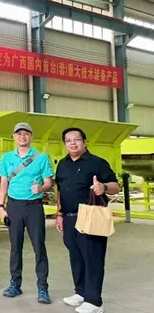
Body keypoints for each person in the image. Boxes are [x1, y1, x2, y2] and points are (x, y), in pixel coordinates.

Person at [55, 127, 119, 313]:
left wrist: (103, 187)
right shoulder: (62, 164)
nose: (73, 143)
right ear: (65, 144)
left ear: (85, 142)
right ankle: (81, 293)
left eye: (77, 139)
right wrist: (59, 214)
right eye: (68, 140)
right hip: (69, 217)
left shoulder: (97, 163)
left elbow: (115, 186)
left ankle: (94, 301)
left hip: (90, 216)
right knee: (76, 257)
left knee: (93, 258)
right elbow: (60, 191)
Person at [0, 122, 54, 304]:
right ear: (14, 137)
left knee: (39, 247)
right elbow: (4, 182)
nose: (22, 137)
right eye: (19, 134)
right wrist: (1, 206)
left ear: (31, 136)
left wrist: (42, 188)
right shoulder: (7, 158)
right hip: (14, 206)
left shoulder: (41, 157)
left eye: (26, 134)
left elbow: (49, 182)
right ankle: (15, 284)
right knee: (15, 247)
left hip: (33, 207)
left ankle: (43, 288)